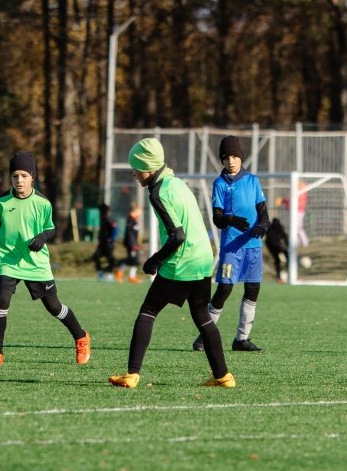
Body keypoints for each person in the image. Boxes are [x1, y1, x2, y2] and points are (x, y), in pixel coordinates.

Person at [108, 137, 236, 389]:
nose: (134, 172)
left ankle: (132, 374)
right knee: (203, 317)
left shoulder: (158, 192)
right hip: (202, 259)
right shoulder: (176, 183)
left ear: (148, 165)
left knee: (147, 312)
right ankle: (224, 377)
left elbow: (177, 235)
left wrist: (154, 261)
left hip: (182, 262)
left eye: (136, 167)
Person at [0, 152, 91, 366]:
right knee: (1, 300)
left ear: (32, 177)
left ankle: (81, 336)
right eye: (15, 176)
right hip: (8, 261)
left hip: (35, 264)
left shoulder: (42, 203)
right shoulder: (2, 202)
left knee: (54, 307)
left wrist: (42, 237)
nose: (19, 180)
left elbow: (51, 229)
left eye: (24, 176)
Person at [191, 136, 269, 353]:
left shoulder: (253, 181)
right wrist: (231, 219)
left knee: (252, 290)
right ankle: (203, 337)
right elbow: (217, 219)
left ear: (241, 158)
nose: (231, 161)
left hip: (253, 247)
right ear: (222, 161)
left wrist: (262, 226)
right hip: (231, 247)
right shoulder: (219, 184)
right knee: (224, 289)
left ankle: (241, 339)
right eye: (226, 158)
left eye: (234, 156)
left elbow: (264, 214)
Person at [118, 202, 142, 283]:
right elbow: (130, 234)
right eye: (139, 211)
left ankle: (131, 276)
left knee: (134, 259)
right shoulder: (130, 220)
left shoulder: (134, 220)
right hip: (131, 244)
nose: (140, 213)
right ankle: (120, 272)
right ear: (134, 211)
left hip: (133, 244)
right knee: (132, 259)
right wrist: (133, 245)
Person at [265, 217, 289, 283]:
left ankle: (278, 276)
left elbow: (267, 239)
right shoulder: (279, 226)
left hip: (270, 246)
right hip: (277, 245)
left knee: (277, 260)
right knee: (288, 256)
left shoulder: (269, 227)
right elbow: (284, 236)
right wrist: (287, 245)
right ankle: (290, 270)